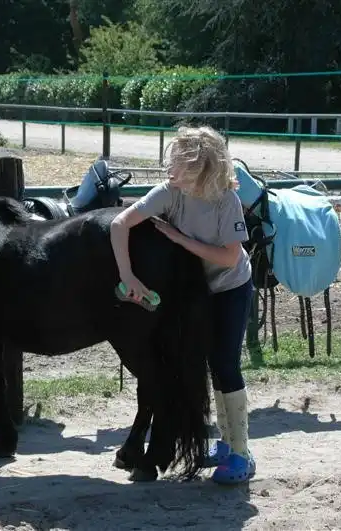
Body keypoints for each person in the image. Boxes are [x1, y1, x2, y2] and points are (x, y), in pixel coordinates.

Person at [109, 125, 256, 484]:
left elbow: (227, 258)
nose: (170, 171)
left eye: (178, 163)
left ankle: (241, 452)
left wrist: (178, 237)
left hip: (229, 288)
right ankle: (225, 443)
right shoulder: (170, 191)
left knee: (224, 363)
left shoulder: (226, 199)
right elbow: (119, 223)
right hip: (194, 292)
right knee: (199, 363)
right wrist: (127, 276)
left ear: (202, 167)